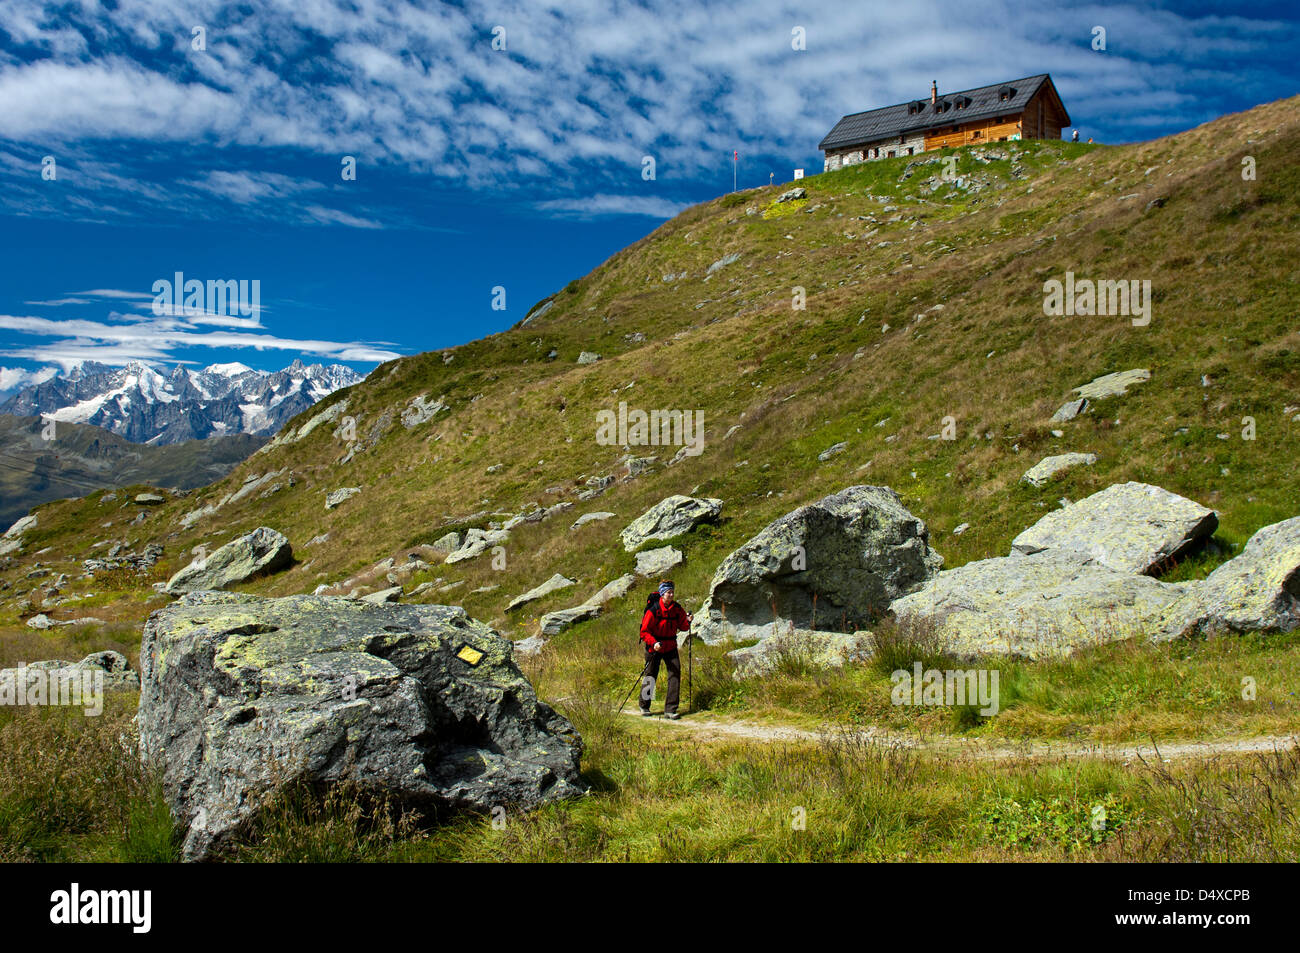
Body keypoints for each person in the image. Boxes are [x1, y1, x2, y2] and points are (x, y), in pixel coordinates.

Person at [639, 580, 691, 719]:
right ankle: (644, 706)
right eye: (668, 592)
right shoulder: (653, 609)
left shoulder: (677, 608)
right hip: (654, 647)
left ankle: (671, 710)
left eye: (672, 592)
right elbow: (644, 632)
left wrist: (688, 620)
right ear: (662, 594)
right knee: (650, 675)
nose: (671, 594)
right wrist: (654, 642)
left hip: (670, 646)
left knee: (675, 675)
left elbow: (684, 627)